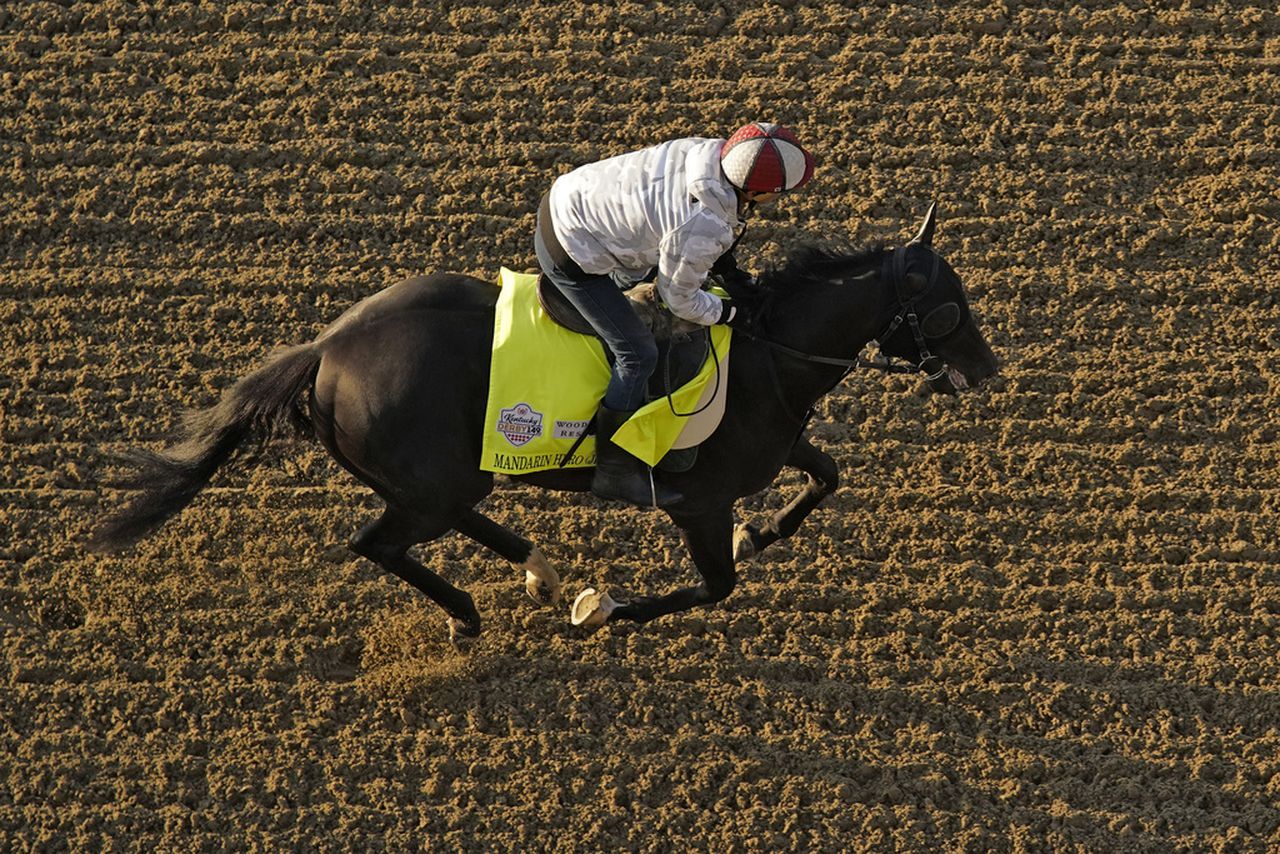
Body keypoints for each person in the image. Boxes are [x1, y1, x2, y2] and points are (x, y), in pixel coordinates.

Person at [534, 122, 816, 508]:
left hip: (571, 198)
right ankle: (614, 471)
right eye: (776, 195)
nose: (778, 200)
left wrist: (730, 274)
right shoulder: (704, 224)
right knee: (638, 354)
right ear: (755, 191)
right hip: (572, 253)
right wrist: (728, 312)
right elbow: (679, 299)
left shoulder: (710, 152)